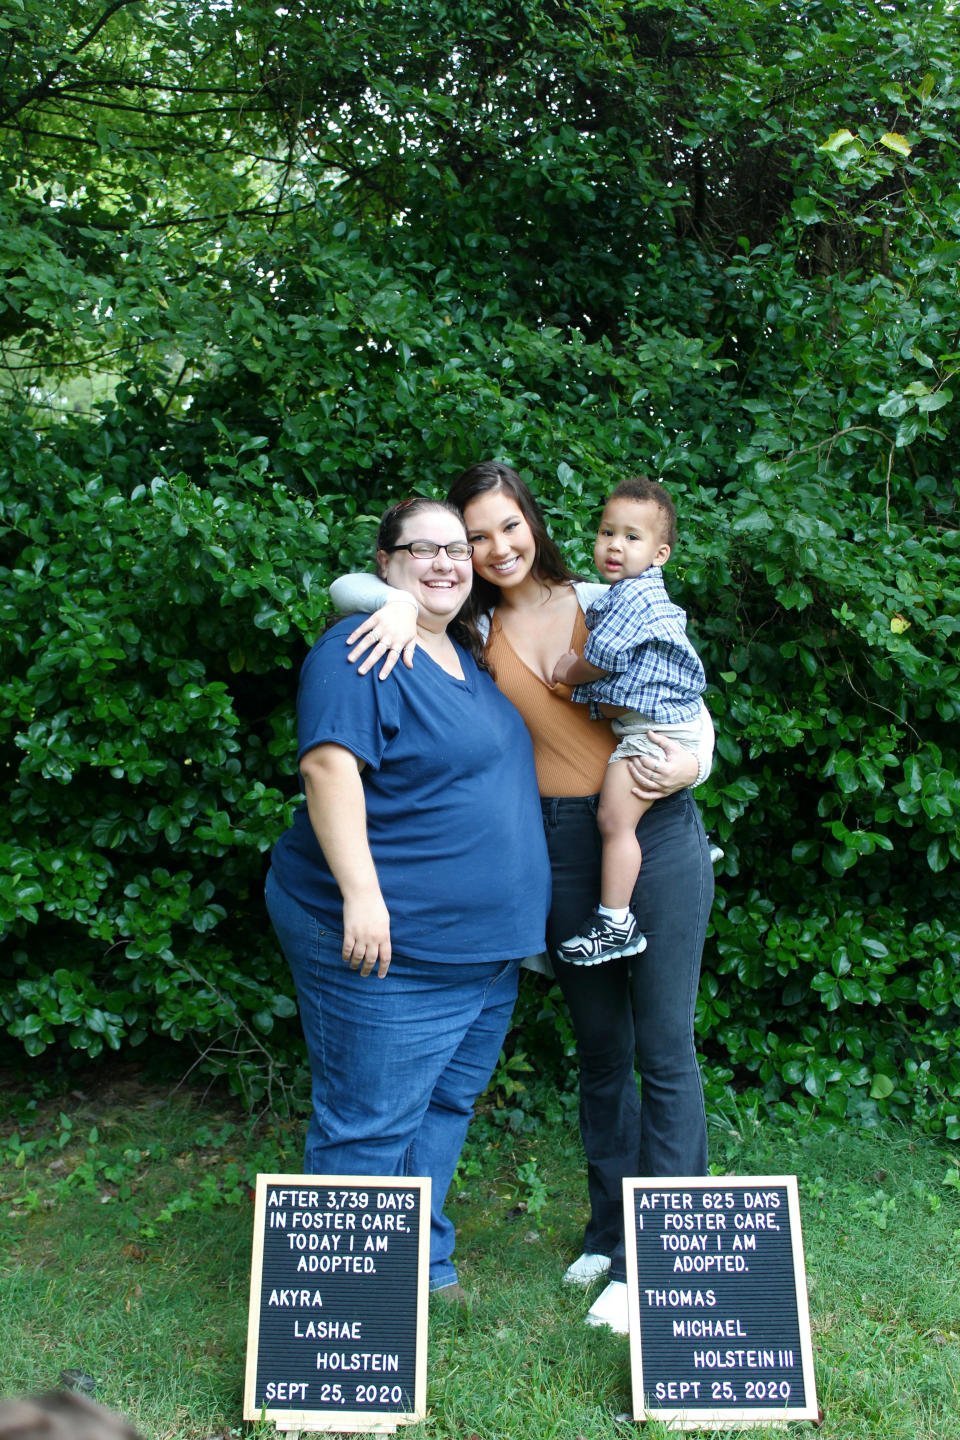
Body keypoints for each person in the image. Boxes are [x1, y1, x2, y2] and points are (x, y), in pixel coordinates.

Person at [330, 463, 714, 1336]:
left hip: (653, 831)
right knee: (600, 1052)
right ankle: (609, 1228)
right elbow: (351, 583)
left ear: (534, 524)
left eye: (510, 527)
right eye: (475, 535)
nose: (495, 548)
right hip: (559, 852)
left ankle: (658, 1258)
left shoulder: (604, 595)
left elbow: (686, 699)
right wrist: (386, 601)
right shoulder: (462, 627)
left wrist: (695, 760)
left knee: (663, 1049)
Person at [266, 497, 551, 1302]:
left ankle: (416, 1267)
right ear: (385, 562)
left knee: (442, 1110)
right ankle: (341, 1327)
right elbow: (328, 768)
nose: (445, 563)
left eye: (456, 548)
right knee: (369, 1125)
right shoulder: (360, 647)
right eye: (420, 550)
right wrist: (362, 895)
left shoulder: (459, 647)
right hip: (392, 946)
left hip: (484, 955)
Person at [550, 476, 710, 966]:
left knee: (614, 820)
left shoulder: (635, 597)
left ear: (660, 554)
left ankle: (614, 921)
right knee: (618, 820)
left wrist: (567, 672)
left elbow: (600, 657)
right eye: (606, 532)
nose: (614, 546)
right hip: (657, 725)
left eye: (632, 537)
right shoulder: (624, 593)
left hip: (656, 734)